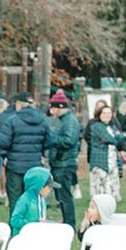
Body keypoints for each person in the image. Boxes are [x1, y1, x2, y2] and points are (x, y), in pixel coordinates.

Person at [0, 91, 50, 211]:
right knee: (32, 198)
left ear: (19, 105)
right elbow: (47, 142)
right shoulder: (42, 120)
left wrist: (7, 156)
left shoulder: (12, 121)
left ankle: (15, 226)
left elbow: (3, 144)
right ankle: (31, 225)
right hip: (34, 165)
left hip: (15, 166)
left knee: (15, 199)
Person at [45, 90, 81, 226]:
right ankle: (67, 219)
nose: (51, 110)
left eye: (52, 107)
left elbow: (69, 141)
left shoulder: (70, 121)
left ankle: (70, 222)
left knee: (65, 196)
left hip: (65, 163)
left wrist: (52, 139)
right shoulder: (64, 120)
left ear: (59, 107)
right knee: (61, 196)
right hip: (60, 162)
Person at [86, 101, 126, 206]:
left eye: (109, 113)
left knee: (111, 183)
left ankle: (109, 204)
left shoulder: (112, 126)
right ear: (99, 114)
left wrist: (120, 136)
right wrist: (119, 136)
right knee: (101, 186)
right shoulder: (96, 126)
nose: (107, 115)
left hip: (112, 160)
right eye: (104, 113)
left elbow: (123, 138)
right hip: (100, 161)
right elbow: (111, 139)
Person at [9, 166, 54, 237]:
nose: (50, 190)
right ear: (39, 186)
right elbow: (14, 220)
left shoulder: (41, 200)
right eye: (48, 187)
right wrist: (33, 224)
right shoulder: (24, 200)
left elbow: (41, 220)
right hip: (22, 238)